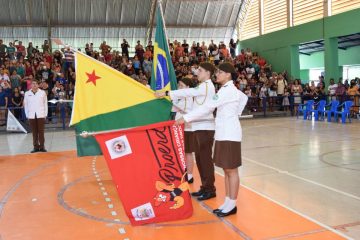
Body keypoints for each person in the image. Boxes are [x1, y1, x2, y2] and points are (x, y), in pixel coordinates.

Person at [176, 62, 248, 217]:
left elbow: (208, 107)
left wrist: (186, 118)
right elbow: (242, 99)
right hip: (223, 134)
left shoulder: (228, 90)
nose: (217, 74)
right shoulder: (226, 90)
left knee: (231, 170)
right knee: (226, 170)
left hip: (230, 134)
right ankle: (228, 201)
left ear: (228, 74)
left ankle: (232, 204)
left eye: (220, 72)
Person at [155, 62, 217, 201]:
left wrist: (166, 93)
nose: (197, 73)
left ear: (208, 73)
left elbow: (189, 92)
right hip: (198, 127)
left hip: (205, 128)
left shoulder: (207, 86)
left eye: (200, 70)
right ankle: (205, 187)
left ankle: (210, 189)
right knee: (200, 160)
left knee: (205, 160)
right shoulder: (203, 86)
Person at [171, 77, 196, 183]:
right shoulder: (179, 98)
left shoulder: (190, 98)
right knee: (179, 151)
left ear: (188, 87)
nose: (179, 87)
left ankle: (189, 176)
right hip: (178, 128)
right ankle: (182, 171)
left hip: (188, 128)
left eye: (181, 85)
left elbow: (189, 113)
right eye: (179, 85)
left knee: (188, 152)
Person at [23, 80, 48, 153]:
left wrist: (45, 114)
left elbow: (45, 104)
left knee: (41, 132)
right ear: (31, 85)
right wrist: (27, 115)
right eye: (33, 84)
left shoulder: (42, 93)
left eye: (36, 83)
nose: (34, 85)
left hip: (41, 114)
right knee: (34, 132)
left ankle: (42, 146)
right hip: (31, 115)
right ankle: (35, 147)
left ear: (38, 85)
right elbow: (26, 105)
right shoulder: (27, 93)